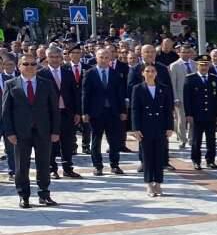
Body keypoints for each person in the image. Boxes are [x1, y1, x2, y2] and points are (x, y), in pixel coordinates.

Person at [1, 54, 60, 207]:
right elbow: (6, 112)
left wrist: (55, 131)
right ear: (19, 66)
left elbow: (54, 109)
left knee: (43, 164)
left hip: (43, 131)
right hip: (20, 133)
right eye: (25, 64)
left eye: (33, 64)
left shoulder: (46, 84)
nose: (29, 67)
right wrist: (10, 133)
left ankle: (44, 194)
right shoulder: (11, 84)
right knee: (21, 166)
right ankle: (23, 195)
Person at [82, 46, 128, 176]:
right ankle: (98, 166)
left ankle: (115, 165)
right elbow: (85, 94)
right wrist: (85, 112)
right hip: (95, 113)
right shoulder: (89, 73)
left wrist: (123, 111)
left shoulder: (115, 74)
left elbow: (120, 94)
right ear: (96, 58)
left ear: (110, 59)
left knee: (114, 141)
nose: (104, 60)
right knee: (96, 140)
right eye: (101, 57)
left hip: (113, 112)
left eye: (106, 57)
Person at [130, 62, 174, 197]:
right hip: (145, 127)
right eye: (147, 71)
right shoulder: (138, 88)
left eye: (152, 71)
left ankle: (159, 184)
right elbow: (135, 110)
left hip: (160, 127)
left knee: (159, 157)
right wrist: (136, 129)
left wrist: (169, 127)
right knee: (147, 157)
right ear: (143, 73)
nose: (150, 74)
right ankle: (149, 184)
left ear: (156, 73)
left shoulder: (164, 88)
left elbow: (168, 109)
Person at [39, 45, 81, 179]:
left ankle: (68, 168)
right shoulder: (41, 74)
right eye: (52, 57)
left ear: (61, 58)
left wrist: (77, 112)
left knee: (68, 143)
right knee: (51, 143)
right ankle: (52, 168)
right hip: (49, 115)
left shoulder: (67, 72)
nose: (55, 60)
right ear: (47, 58)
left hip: (67, 113)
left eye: (57, 57)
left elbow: (75, 94)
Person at [183, 54, 217, 170]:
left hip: (211, 114)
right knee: (196, 140)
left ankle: (210, 160)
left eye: (206, 64)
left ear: (209, 65)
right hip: (196, 115)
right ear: (197, 65)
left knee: (211, 140)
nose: (204, 67)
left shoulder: (214, 78)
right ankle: (196, 161)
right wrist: (189, 114)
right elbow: (187, 99)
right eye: (201, 65)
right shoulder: (190, 78)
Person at [169, 44, 196, 151]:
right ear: (179, 53)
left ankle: (191, 139)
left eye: (188, 52)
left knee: (193, 119)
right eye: (183, 52)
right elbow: (172, 83)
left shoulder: (195, 64)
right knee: (181, 120)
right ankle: (182, 140)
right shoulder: (174, 65)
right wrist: (175, 98)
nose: (186, 54)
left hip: (194, 97)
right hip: (180, 97)